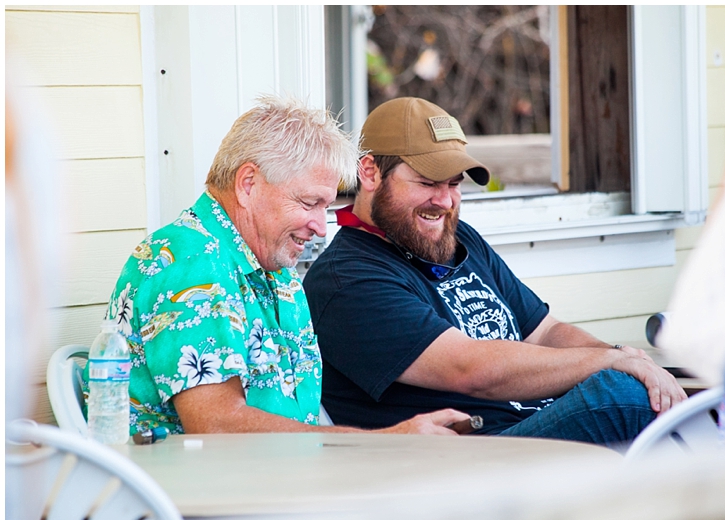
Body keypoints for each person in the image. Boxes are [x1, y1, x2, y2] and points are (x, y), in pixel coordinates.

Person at [303, 97, 687, 447]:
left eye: (454, 184)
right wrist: (609, 363)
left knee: (670, 388)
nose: (445, 200)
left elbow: (546, 331)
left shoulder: (455, 237)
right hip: (472, 458)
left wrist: (623, 356)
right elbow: (470, 370)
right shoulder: (346, 278)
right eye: (427, 182)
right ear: (369, 173)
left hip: (532, 425)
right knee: (623, 397)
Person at [89, 96, 469, 436]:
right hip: (194, 504)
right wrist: (384, 444)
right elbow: (216, 425)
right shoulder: (188, 263)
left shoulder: (273, 267)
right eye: (308, 203)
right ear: (248, 183)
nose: (322, 226)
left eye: (327, 205)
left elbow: (297, 420)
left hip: (279, 488)